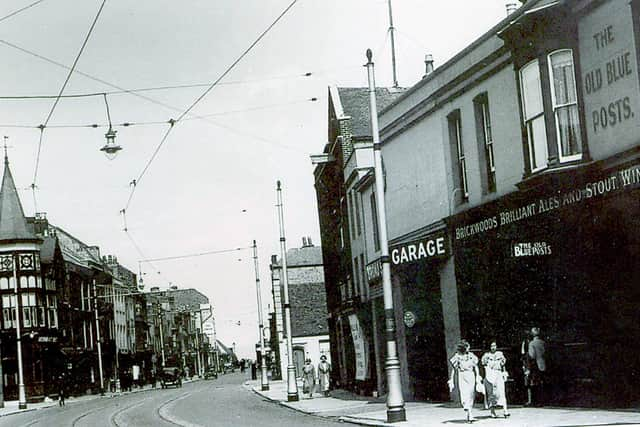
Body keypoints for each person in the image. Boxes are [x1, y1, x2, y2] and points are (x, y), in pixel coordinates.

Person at [449, 340, 482, 424]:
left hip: (471, 375)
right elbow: (454, 369)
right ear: (464, 347)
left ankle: (469, 413)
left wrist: (478, 376)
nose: (469, 348)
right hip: (462, 375)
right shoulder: (457, 356)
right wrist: (451, 379)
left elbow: (476, 367)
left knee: (471, 394)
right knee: (464, 393)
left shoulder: (471, 356)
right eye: (468, 347)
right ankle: (468, 409)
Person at [481, 341, 510, 418]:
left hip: (498, 374)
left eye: (494, 346)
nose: (493, 347)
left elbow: (503, 365)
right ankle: (492, 411)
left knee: (501, 391)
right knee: (491, 393)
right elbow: (484, 367)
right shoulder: (486, 356)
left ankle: (505, 410)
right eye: (491, 346)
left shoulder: (500, 354)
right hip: (490, 374)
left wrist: (504, 373)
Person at [527, 327, 546, 406]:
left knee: (534, 383)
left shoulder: (531, 343)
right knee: (541, 383)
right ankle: (542, 400)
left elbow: (532, 355)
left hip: (535, 365)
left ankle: (536, 401)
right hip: (543, 364)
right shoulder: (543, 342)